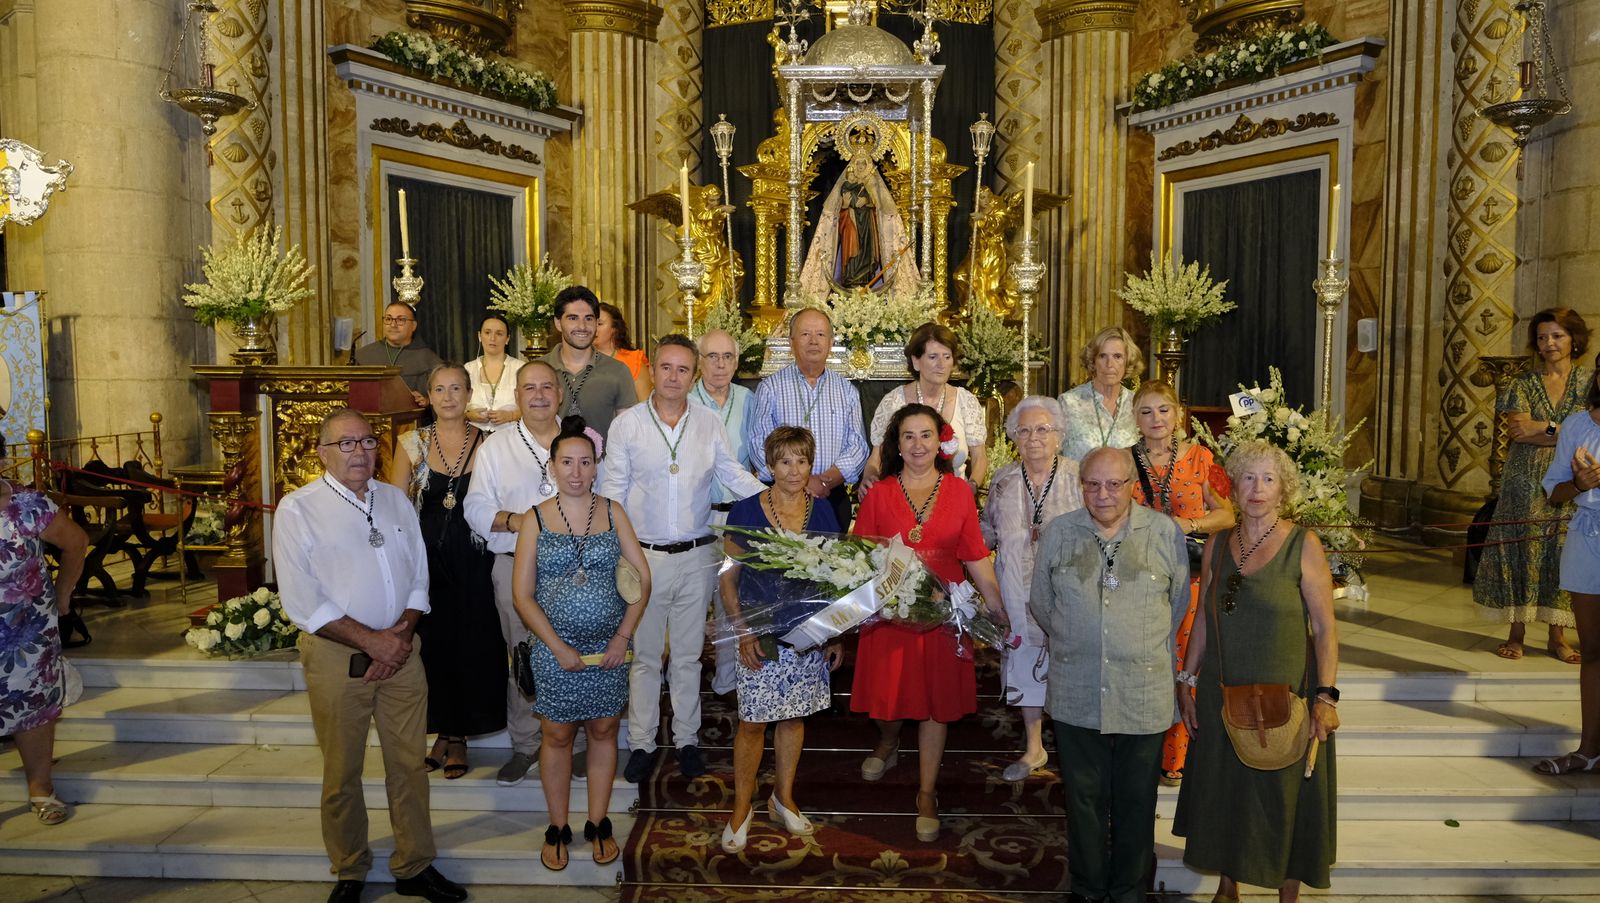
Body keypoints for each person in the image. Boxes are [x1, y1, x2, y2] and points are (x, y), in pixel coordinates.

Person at [272, 409, 467, 903]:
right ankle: (349, 869)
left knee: (409, 766)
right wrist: (371, 641)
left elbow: (418, 575)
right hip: (338, 660)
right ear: (321, 452)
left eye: (365, 442)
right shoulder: (298, 509)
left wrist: (399, 636)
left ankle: (414, 865)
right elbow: (303, 601)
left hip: (403, 654)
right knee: (342, 771)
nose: (358, 453)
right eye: (345, 444)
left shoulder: (397, 500)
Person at [1173, 440, 1340, 900]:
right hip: (1221, 688)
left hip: (1287, 695)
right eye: (1248, 477)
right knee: (1227, 788)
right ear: (1233, 486)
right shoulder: (1218, 544)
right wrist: (1188, 681)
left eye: (1268, 479)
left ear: (1283, 488)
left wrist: (1325, 697)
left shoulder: (1303, 545)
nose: (1257, 488)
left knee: (1284, 795)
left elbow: (1325, 628)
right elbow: (1205, 617)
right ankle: (1228, 886)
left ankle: (1289, 893)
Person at [1029, 446, 1189, 903]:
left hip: (1143, 690)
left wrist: (1132, 640)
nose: (1103, 494)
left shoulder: (1163, 533)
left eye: (1114, 484)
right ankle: (1087, 887)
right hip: (1076, 687)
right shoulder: (1060, 532)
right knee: (1083, 799)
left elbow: (1176, 606)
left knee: (1137, 802)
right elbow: (1042, 601)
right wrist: (1079, 636)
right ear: (1081, 486)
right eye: (1092, 484)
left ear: (1131, 486)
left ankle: (1128, 891)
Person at [603, 335, 766, 783]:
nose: (673, 377)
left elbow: (730, 474)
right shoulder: (628, 425)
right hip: (644, 558)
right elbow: (612, 493)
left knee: (690, 656)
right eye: (666, 368)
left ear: (693, 376)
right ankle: (641, 742)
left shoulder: (709, 423)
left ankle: (688, 739)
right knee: (646, 657)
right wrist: (614, 553)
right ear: (651, 371)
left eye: (682, 370)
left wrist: (776, 501)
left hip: (698, 553)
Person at [850, 403, 1006, 842]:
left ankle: (926, 791)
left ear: (940, 442)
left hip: (943, 611)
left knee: (935, 701)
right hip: (890, 612)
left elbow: (975, 553)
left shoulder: (959, 492)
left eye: (925, 435)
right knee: (887, 698)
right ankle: (888, 741)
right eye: (908, 437)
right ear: (895, 445)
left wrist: (995, 605)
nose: (917, 445)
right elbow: (859, 557)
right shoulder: (879, 493)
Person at [512, 415, 651, 871]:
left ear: (596, 466)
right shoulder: (533, 519)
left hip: (608, 651)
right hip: (555, 650)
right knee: (556, 734)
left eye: (585, 462)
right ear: (552, 467)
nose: (575, 471)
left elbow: (642, 581)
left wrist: (622, 637)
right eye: (566, 462)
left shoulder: (613, 511)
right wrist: (556, 646)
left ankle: (597, 822)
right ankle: (557, 826)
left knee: (605, 730)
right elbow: (522, 595)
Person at [718, 426, 845, 852]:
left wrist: (834, 633)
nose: (794, 470)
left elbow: (835, 578)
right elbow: (727, 577)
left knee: (794, 717)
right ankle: (741, 807)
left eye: (802, 461)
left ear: (811, 464)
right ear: (769, 466)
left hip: (807, 635)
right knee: (753, 721)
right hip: (759, 634)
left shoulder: (824, 512)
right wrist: (742, 631)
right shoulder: (747, 510)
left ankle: (782, 797)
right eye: (785, 461)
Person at [385, 363, 505, 781]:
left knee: (472, 644)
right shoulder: (411, 444)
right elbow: (396, 508)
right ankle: (443, 732)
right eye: (440, 389)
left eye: (456, 388)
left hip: (475, 562)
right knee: (433, 647)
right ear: (429, 396)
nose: (449, 396)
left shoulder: (490, 444)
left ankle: (459, 737)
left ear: (469, 394)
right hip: (427, 564)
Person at [463, 360, 566, 786]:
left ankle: (572, 744)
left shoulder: (581, 440)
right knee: (522, 659)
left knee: (570, 656)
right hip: (514, 568)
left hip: (572, 571)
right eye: (529, 388)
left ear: (559, 393)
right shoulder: (496, 447)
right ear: (517, 396)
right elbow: (474, 508)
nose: (539, 395)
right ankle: (525, 746)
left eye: (546, 387)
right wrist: (515, 520)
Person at [1129, 379, 1236, 786]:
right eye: (1146, 411)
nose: (1156, 419)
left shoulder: (1202, 458)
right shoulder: (1123, 462)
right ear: (1135, 418)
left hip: (1191, 578)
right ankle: (1146, 752)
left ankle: (1180, 757)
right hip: (1140, 579)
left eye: (1163, 410)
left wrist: (1185, 524)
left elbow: (1226, 516)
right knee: (1149, 661)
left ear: (1178, 415)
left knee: (1187, 661)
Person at [1475, 308, 1592, 663]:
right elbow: (1519, 431)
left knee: (1561, 549)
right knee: (1523, 547)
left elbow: (1588, 428)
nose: (1549, 344)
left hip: (1575, 477)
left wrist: (1546, 429)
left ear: (1574, 340)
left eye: (1557, 336)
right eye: (1542, 338)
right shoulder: (1521, 383)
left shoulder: (1590, 383)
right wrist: (1564, 430)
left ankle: (1558, 637)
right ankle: (1517, 632)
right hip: (1524, 479)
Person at [978, 396, 1082, 782]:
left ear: (1059, 435)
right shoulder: (1004, 479)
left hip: (1068, 590)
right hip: (1014, 586)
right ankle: (1034, 746)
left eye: (1043, 429)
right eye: (1024, 430)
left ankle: (1074, 745)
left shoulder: (1077, 476)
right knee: (1024, 662)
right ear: (1013, 438)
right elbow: (987, 533)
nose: (1034, 437)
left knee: (1069, 663)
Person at [0, 432, 88, 827]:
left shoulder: (28, 506)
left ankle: (41, 788)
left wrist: (64, 594)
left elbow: (76, 542)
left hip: (26, 631)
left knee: (32, 708)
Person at [747, 307, 869, 530]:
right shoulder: (771, 388)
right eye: (805, 334)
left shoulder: (846, 390)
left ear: (831, 343)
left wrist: (824, 480)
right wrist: (798, 481)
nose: (813, 341)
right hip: (781, 499)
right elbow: (758, 443)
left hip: (831, 496)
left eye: (820, 334)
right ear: (791, 342)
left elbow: (858, 446)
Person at [1537, 360, 1600, 774]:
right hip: (1587, 539)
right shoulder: (1577, 425)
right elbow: (1554, 492)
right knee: (1594, 651)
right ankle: (1588, 750)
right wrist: (1579, 483)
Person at [689, 328, 758, 696]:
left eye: (727, 357)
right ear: (699, 362)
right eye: (712, 357)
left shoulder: (749, 400)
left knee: (732, 601)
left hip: (739, 516)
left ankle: (728, 681)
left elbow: (759, 457)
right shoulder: (685, 400)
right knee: (694, 601)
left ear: (736, 361)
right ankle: (684, 677)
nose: (720, 365)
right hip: (697, 517)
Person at [863, 322, 989, 490]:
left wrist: (971, 486)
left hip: (955, 497)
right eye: (933, 357)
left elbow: (979, 456)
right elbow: (876, 458)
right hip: (902, 496)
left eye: (947, 356)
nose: (941, 364)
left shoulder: (966, 401)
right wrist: (870, 477)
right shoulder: (893, 401)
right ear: (916, 361)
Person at [543, 286, 638, 440]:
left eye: (589, 318)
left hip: (602, 462)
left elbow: (628, 433)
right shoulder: (539, 370)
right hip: (546, 462)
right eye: (573, 318)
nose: (582, 326)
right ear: (558, 323)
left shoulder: (617, 371)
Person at [1057, 326, 1141, 462]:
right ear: (1093, 361)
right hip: (1078, 482)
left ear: (1128, 361)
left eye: (1117, 356)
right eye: (1103, 356)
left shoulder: (1137, 404)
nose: (1110, 364)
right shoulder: (1068, 403)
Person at [354, 302, 443, 407]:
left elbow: (442, 398)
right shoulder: (364, 355)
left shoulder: (429, 360)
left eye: (400, 320)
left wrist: (427, 401)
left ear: (413, 326)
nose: (393, 325)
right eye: (388, 319)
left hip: (413, 421)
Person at [464, 314, 524, 433]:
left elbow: (534, 408)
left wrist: (511, 416)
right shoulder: (467, 369)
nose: (492, 338)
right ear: (479, 336)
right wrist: (469, 415)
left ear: (507, 339)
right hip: (473, 438)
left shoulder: (521, 368)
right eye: (487, 332)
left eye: (499, 333)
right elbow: (455, 408)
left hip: (511, 437)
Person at [597, 301, 652, 402]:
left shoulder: (633, 361)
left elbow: (644, 405)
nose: (594, 328)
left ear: (615, 328)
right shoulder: (580, 360)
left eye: (600, 324)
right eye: (591, 323)